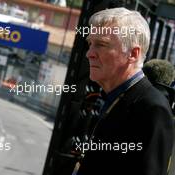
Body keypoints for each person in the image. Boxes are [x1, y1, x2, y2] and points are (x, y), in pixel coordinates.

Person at [76, 8, 174, 175]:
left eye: (101, 44)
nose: (89, 53)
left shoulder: (152, 109)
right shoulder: (117, 97)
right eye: (90, 43)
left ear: (133, 54)